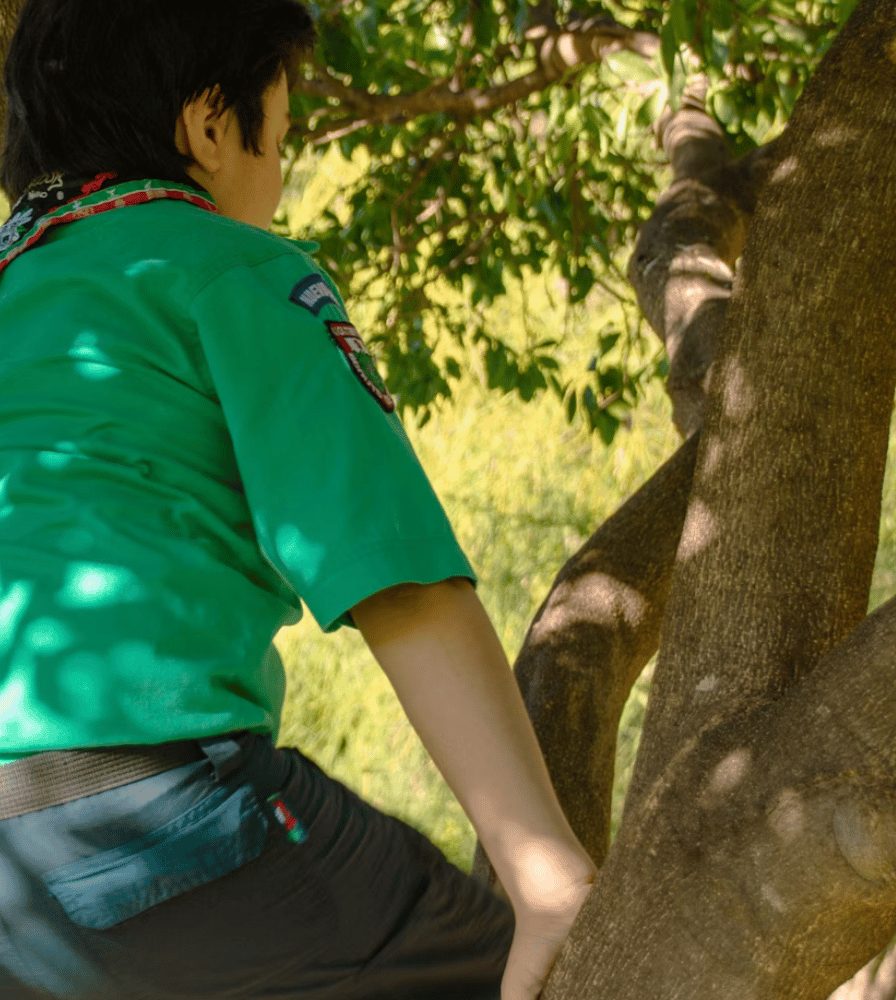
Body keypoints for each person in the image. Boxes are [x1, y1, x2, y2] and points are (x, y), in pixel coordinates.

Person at [0, 1, 597, 997]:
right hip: (152, 813)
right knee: (553, 975)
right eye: (282, 129)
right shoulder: (227, 270)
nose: (282, 167)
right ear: (208, 125)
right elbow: (395, 582)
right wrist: (546, 873)